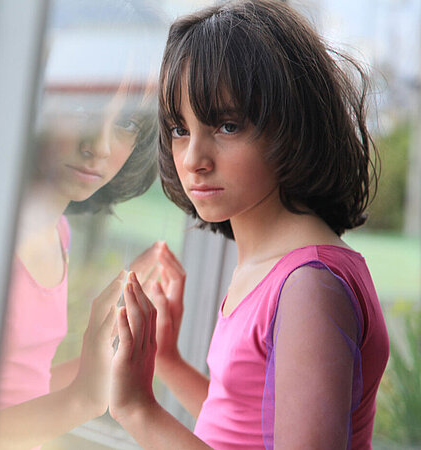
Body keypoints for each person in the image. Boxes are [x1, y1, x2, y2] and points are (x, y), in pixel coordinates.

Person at [109, 1, 390, 449]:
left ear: (292, 126)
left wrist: (137, 410)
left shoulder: (309, 286)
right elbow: (251, 426)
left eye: (227, 125)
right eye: (180, 129)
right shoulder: (274, 267)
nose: (193, 159)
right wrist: (168, 362)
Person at [0, 4, 163, 447]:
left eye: (126, 122)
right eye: (83, 106)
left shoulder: (57, 232)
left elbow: (22, 389)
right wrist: (82, 400)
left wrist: (106, 351)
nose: (99, 146)